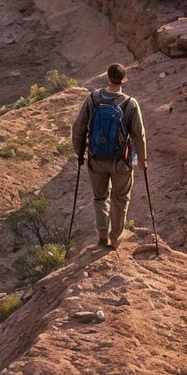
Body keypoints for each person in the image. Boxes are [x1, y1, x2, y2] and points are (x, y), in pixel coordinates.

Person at [71, 63, 147, 249]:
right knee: (120, 199)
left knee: (100, 197)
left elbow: (78, 128)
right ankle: (115, 238)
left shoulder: (93, 99)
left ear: (107, 78)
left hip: (96, 159)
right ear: (124, 79)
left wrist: (80, 152)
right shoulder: (130, 104)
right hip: (121, 161)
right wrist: (143, 160)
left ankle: (102, 235)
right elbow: (138, 134)